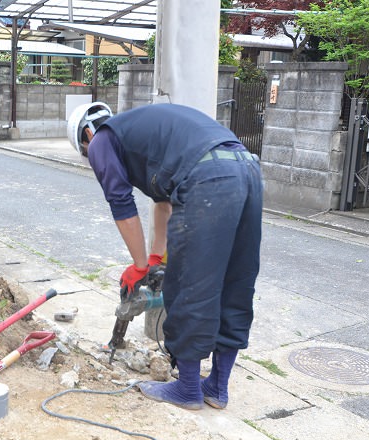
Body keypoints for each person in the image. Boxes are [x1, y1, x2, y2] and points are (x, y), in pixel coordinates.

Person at [67, 102, 263, 410]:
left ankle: (187, 389)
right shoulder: (145, 136)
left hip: (208, 176)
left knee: (190, 285)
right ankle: (217, 388)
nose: (93, 161)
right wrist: (157, 258)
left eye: (86, 154)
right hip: (247, 167)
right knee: (235, 282)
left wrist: (139, 266)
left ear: (87, 134)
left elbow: (121, 204)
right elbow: (163, 205)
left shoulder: (102, 140)